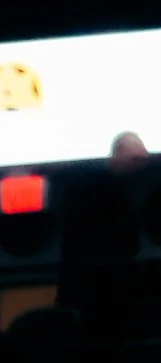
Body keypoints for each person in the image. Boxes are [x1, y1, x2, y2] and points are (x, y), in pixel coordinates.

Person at [59, 131, 153, 336]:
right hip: (93, 288)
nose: (140, 166)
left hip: (117, 285)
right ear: (117, 154)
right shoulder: (89, 191)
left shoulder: (124, 191)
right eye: (136, 159)